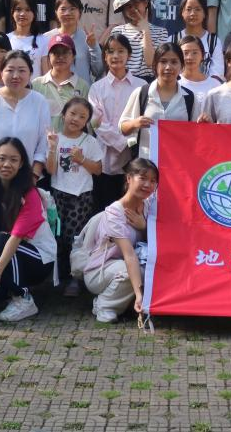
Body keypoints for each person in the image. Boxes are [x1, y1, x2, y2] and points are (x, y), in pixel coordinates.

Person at [0, 138, 57, 322]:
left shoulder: (30, 194)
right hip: (12, 249)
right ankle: (8, 290)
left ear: (21, 164)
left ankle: (23, 298)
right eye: (2, 158)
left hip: (40, 258)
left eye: (13, 160)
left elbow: (15, 238)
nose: (7, 164)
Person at [83, 158, 158, 323]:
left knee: (149, 269)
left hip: (129, 264)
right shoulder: (114, 213)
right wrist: (139, 294)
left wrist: (143, 227)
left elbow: (155, 242)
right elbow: (129, 255)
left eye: (153, 181)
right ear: (129, 178)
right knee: (137, 271)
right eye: (143, 178)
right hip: (100, 271)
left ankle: (126, 304)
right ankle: (104, 305)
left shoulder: (149, 206)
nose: (148, 184)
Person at [45, 97, 103, 297]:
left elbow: (98, 170)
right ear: (63, 115)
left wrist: (82, 159)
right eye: (72, 113)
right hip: (58, 194)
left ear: (86, 122)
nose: (76, 119)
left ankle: (75, 278)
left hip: (81, 195)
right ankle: (59, 275)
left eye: (82, 117)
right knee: (58, 235)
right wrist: (53, 147)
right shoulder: (56, 138)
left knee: (76, 237)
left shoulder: (90, 141)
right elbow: (50, 170)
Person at [88, 34, 148, 212]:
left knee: (129, 210)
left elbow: (144, 119)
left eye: (121, 51)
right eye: (111, 51)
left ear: (129, 54)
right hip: (103, 159)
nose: (116, 56)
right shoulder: (96, 87)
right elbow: (96, 123)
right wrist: (123, 142)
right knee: (103, 210)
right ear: (105, 56)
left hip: (132, 160)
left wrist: (130, 144)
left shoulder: (142, 86)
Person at [0, 50, 51, 178]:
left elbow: (43, 144)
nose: (15, 76)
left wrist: (34, 175)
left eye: (22, 70)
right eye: (10, 70)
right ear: (1, 73)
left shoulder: (39, 101)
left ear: (30, 74)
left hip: (28, 177)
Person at [120, 42, 195, 160]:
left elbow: (196, 133)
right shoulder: (141, 93)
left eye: (174, 62)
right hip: (146, 163)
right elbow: (122, 128)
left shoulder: (189, 98)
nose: (168, 67)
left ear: (182, 66)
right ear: (155, 65)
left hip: (178, 163)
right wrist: (135, 123)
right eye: (163, 61)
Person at [32, 33, 91, 132]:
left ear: (73, 56)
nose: (60, 57)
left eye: (65, 52)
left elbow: (87, 122)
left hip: (73, 141)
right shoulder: (36, 84)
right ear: (49, 56)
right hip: (44, 141)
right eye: (56, 53)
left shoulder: (83, 86)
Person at [110, 0, 169, 81]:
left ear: (146, 3)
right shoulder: (117, 32)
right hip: (125, 81)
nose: (133, 9)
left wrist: (146, 30)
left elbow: (151, 62)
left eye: (136, 3)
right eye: (128, 6)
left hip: (149, 83)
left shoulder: (161, 32)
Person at [48, 0, 100, 84]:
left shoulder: (87, 38)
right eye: (63, 9)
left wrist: (93, 47)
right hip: (54, 90)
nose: (67, 13)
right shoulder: (47, 38)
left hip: (82, 91)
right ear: (56, 12)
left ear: (80, 12)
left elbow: (98, 71)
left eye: (72, 9)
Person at [174, 0, 223, 81]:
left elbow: (217, 73)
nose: (193, 13)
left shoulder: (214, 42)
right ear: (182, 12)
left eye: (197, 9)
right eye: (189, 9)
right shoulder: (173, 39)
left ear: (204, 13)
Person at [6, 0, 49, 78]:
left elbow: (46, 75)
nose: (22, 14)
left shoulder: (43, 40)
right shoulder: (6, 39)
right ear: (12, 12)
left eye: (28, 10)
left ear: (34, 13)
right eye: (18, 9)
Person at [177, 36, 219, 102]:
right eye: (185, 53)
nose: (190, 57)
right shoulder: (174, 83)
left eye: (195, 53)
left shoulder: (215, 84)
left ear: (202, 55)